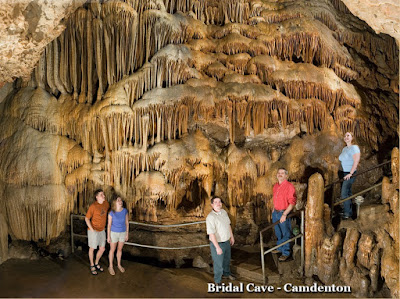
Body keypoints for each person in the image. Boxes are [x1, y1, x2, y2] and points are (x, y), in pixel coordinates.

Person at [206, 196, 235, 285]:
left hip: (226, 241)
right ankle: (217, 280)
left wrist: (232, 237)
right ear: (212, 205)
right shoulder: (210, 217)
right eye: (216, 202)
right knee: (218, 263)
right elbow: (211, 233)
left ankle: (226, 273)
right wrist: (217, 247)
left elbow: (228, 225)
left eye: (219, 202)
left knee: (226, 260)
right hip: (217, 243)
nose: (218, 204)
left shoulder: (224, 212)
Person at [272, 168, 297, 262]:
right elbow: (275, 198)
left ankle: (285, 252)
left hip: (283, 212)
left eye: (282, 173)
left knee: (286, 233)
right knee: (278, 232)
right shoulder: (275, 186)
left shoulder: (290, 186)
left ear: (286, 175)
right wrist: (273, 209)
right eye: (279, 173)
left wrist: (285, 214)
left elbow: (292, 202)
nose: (280, 174)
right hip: (276, 213)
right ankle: (280, 247)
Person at [85, 189, 110, 275]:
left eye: (103, 194)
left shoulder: (106, 203)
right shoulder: (93, 206)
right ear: (97, 197)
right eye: (101, 194)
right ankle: (92, 265)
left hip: (102, 230)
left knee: (102, 248)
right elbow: (86, 218)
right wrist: (91, 229)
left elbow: (109, 212)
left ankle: (96, 263)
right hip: (94, 230)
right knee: (92, 248)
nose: (104, 196)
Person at [338, 132, 360, 219]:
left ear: (352, 138)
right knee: (348, 192)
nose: (346, 137)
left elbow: (356, 161)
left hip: (351, 173)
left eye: (348, 136)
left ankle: (348, 213)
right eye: (345, 136)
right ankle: (351, 211)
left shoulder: (354, 148)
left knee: (344, 194)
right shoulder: (344, 149)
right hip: (345, 173)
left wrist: (350, 173)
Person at [107, 195, 129, 275]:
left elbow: (127, 223)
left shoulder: (125, 211)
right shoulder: (111, 212)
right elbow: (109, 225)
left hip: (122, 233)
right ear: (114, 203)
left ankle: (119, 264)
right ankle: (111, 266)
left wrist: (127, 234)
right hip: (114, 233)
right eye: (118, 200)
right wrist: (108, 236)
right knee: (112, 250)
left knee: (119, 250)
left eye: (121, 200)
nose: (120, 202)